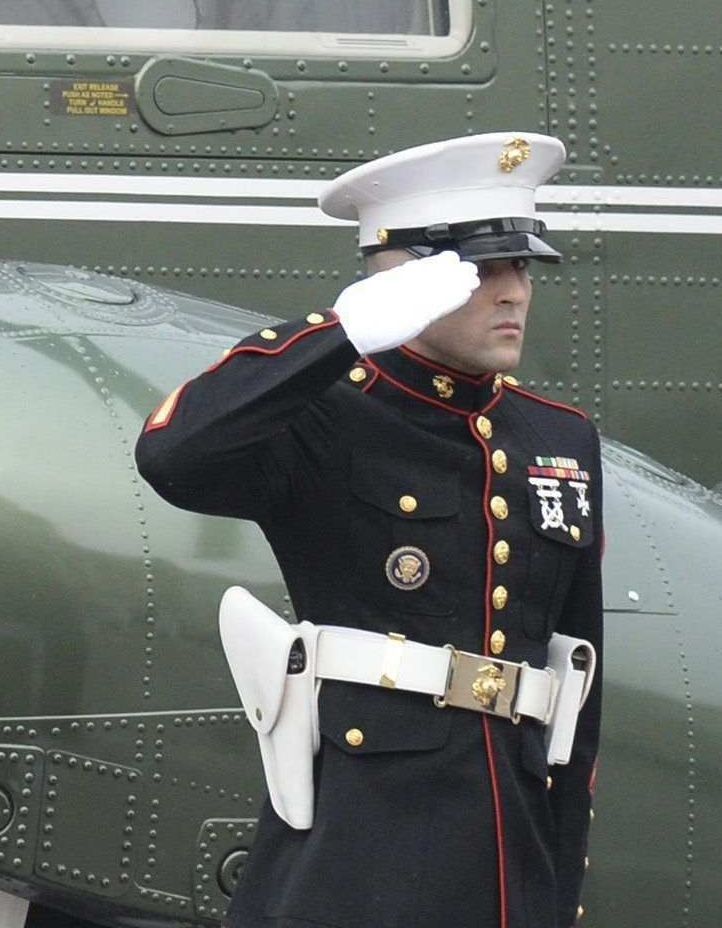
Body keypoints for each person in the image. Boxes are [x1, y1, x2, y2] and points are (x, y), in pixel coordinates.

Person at [138, 132, 602, 928]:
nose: (512, 292)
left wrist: (555, 885)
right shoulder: (325, 413)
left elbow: (573, 683)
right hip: (359, 850)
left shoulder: (556, 438)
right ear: (406, 277)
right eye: (482, 269)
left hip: (508, 850)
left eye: (520, 265)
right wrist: (337, 333)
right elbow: (174, 455)